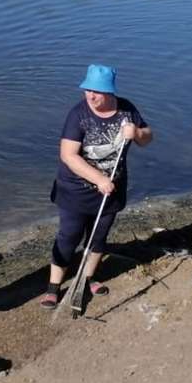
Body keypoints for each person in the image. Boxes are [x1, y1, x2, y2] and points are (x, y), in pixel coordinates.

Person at [40, 65, 153, 309]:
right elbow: (68, 155)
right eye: (88, 90)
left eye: (97, 91)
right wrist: (99, 179)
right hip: (75, 189)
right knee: (69, 236)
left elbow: (148, 138)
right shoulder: (78, 115)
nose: (91, 96)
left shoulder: (127, 110)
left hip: (112, 188)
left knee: (98, 236)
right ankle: (53, 288)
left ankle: (88, 278)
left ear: (110, 92)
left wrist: (137, 133)